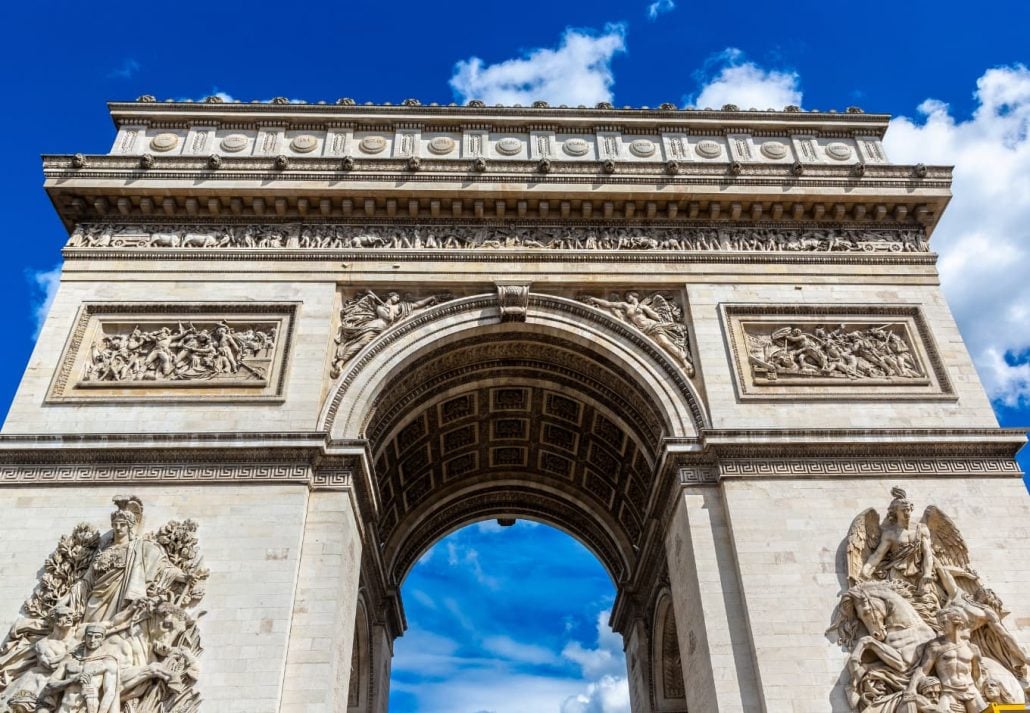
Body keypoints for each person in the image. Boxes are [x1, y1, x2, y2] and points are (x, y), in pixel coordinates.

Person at [904, 607, 987, 713]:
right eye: (940, 623)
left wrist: (982, 693)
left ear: (956, 621)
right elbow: (922, 670)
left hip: (971, 690)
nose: (941, 626)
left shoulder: (972, 648)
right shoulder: (935, 646)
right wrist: (911, 689)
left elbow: (977, 674)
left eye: (944, 622)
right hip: (949, 692)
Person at [43, 623, 120, 713]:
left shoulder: (107, 662)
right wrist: (72, 680)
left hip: (89, 708)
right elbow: (49, 686)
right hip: (65, 708)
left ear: (103, 639)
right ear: (85, 637)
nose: (92, 640)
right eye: (89, 636)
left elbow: (109, 693)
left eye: (97, 636)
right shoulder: (70, 659)